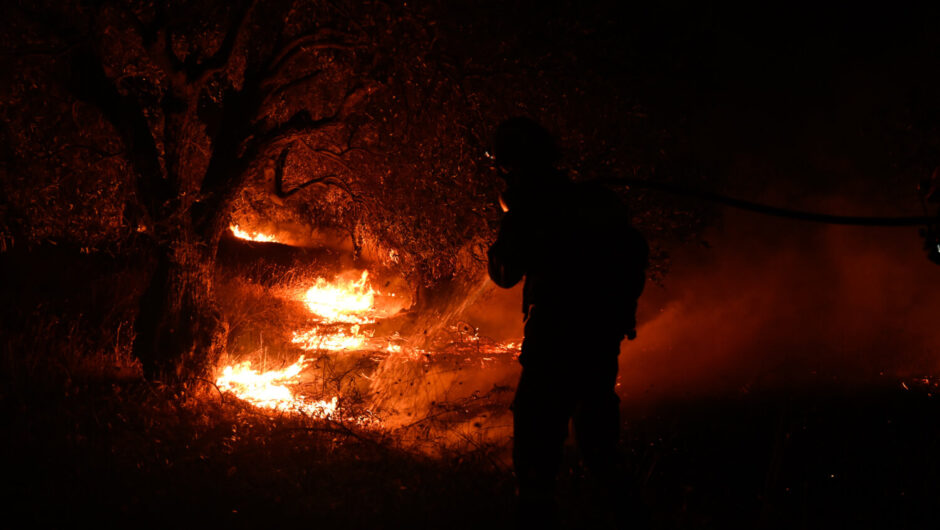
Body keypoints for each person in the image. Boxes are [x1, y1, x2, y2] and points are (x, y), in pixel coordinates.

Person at [487, 117, 648, 525]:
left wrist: (509, 221)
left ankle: (537, 512)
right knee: (598, 434)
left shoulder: (532, 210)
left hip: (554, 338)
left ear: (512, 163)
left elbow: (505, 274)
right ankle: (620, 508)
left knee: (537, 436)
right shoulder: (592, 202)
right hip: (599, 337)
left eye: (505, 164)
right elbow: (632, 253)